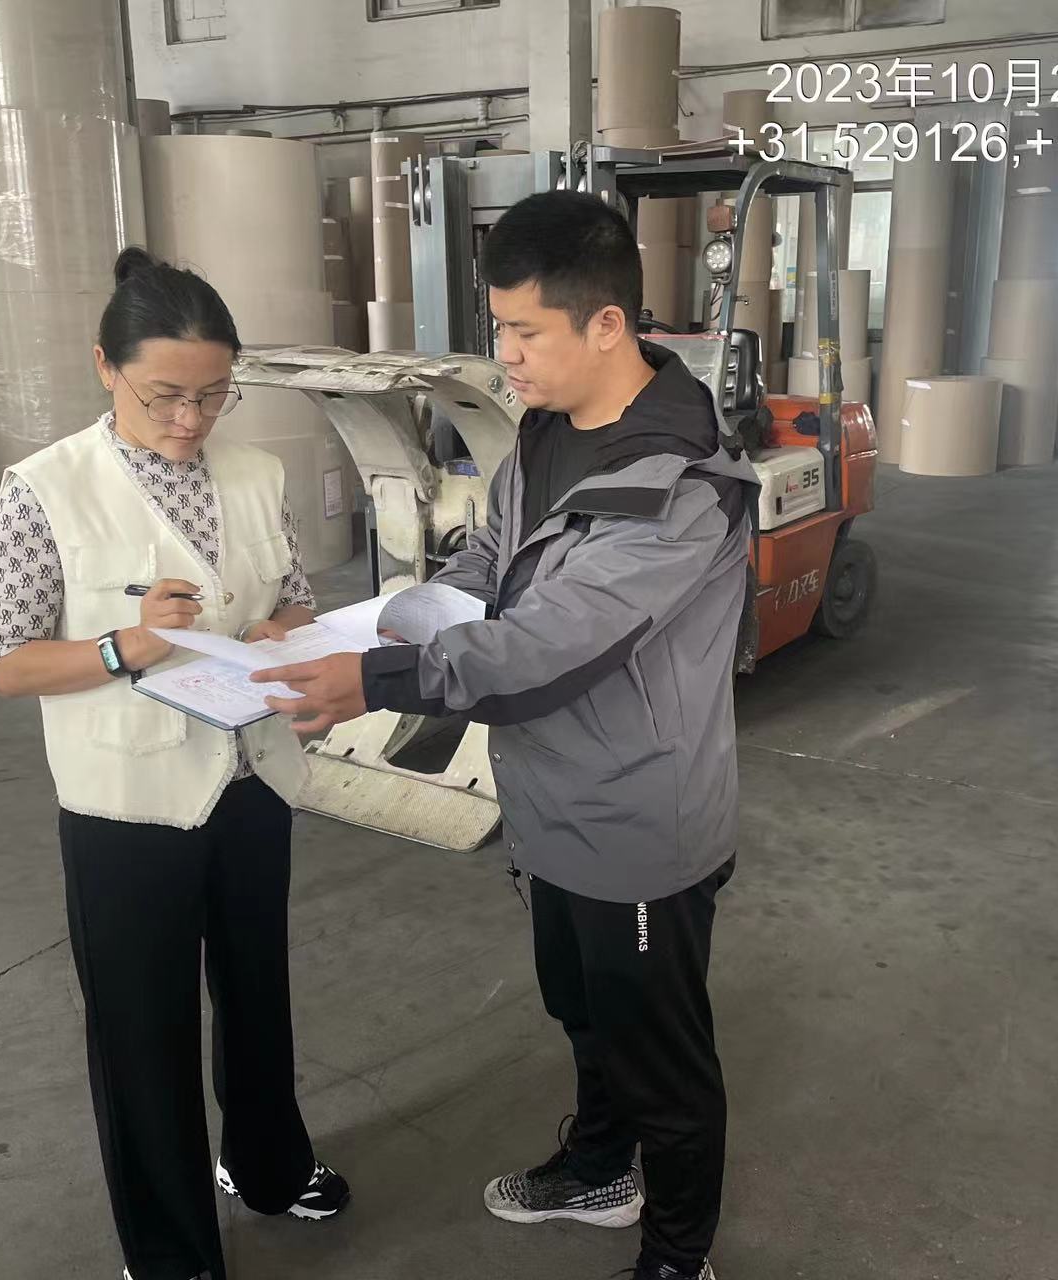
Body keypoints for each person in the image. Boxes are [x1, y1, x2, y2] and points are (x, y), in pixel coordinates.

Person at [253, 191, 757, 1280]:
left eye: (526, 331)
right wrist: (392, 610)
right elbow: (496, 557)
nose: (507, 356)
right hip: (548, 805)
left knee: (662, 1061)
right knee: (583, 1013)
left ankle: (677, 1258)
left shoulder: (682, 489)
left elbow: (543, 652)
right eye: (500, 329)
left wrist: (375, 678)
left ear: (607, 324)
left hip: (637, 822)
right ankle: (601, 1168)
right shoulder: (545, 433)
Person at [0, 247, 349, 1280]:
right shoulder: (45, 488)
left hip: (251, 779)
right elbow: (9, 664)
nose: (191, 420)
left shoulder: (254, 472)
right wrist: (124, 645)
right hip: (126, 805)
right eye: (165, 396)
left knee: (258, 996)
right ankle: (170, 1250)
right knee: (141, 1031)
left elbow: (295, 596)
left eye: (213, 395)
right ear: (106, 367)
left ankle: (269, 1165)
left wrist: (283, 629)